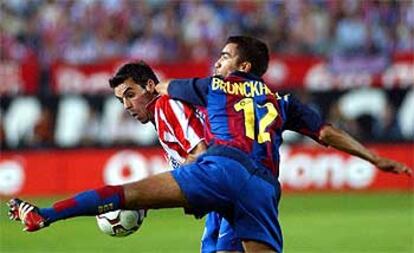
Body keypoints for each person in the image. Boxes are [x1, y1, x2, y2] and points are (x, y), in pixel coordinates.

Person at [8, 36, 411, 253]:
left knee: (123, 195)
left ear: (242, 66)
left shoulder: (205, 87)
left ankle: (45, 214)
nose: (216, 61)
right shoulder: (283, 102)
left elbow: (165, 91)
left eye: (223, 55)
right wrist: (374, 157)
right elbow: (326, 133)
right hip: (265, 189)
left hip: (220, 169)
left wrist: (156, 92)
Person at [108, 61, 242, 252]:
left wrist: (150, 196)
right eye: (121, 100)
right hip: (221, 195)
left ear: (149, 86)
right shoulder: (160, 117)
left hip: (233, 187)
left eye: (130, 95)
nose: (127, 106)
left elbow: (199, 152)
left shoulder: (165, 105)